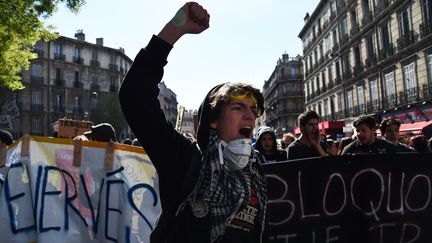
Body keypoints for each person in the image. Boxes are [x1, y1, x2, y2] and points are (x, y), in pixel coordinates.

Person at [119, 3, 267, 242]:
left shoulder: (256, 171)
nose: (250, 115)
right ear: (213, 122)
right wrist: (175, 29)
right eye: (238, 108)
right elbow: (135, 96)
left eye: (253, 109)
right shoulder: (184, 160)